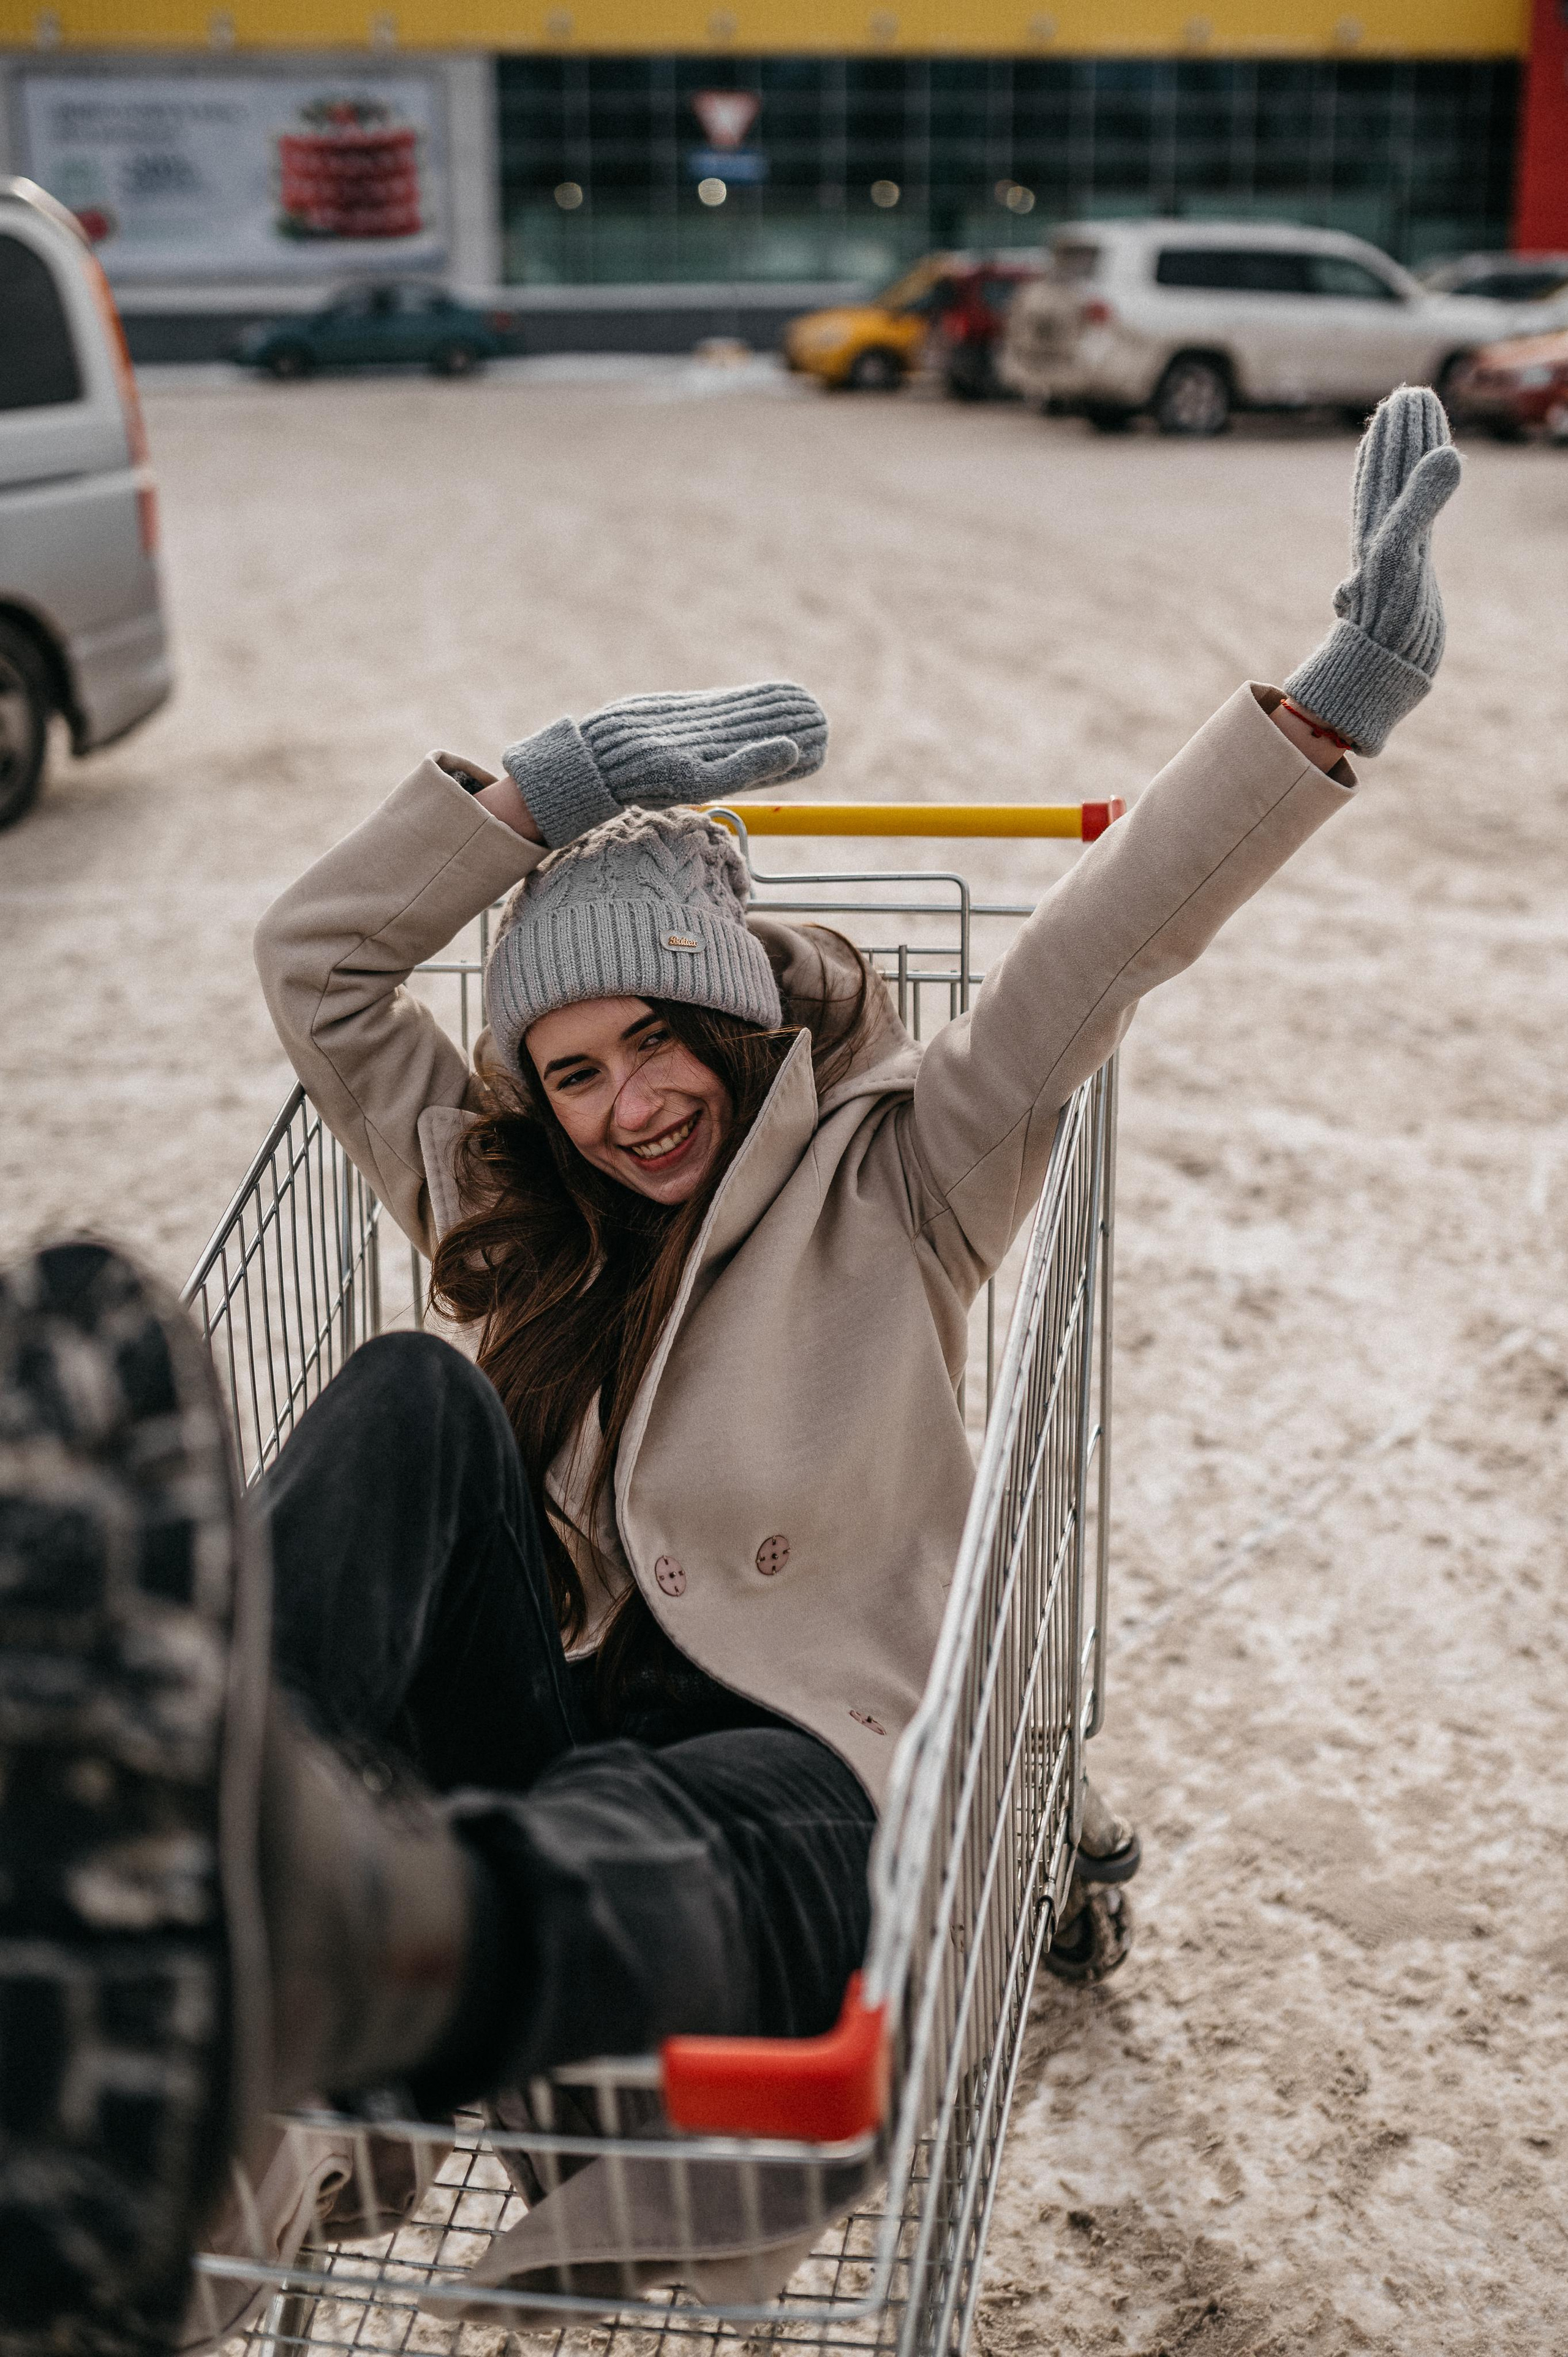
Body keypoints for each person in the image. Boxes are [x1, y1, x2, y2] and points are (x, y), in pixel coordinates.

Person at [0, 389, 1460, 2351]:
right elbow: (325, 959)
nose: (626, 1107)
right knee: (411, 1393)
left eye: (655, 1040)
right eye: (571, 1071)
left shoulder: (903, 1174)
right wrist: (545, 785)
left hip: (777, 1802)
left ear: (733, 1003)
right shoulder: (506, 1213)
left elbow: (1091, 960)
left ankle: (350, 1947)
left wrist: (1329, 705)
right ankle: (161, 1854)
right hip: (552, 1733)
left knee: (710, 1827)